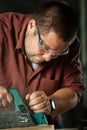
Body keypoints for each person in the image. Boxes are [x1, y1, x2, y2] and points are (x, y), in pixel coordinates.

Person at [0, 0, 85, 128]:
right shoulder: (2, 29)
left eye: (58, 53)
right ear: (31, 25)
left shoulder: (70, 46)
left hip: (45, 125)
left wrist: (51, 103)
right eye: (44, 46)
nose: (49, 58)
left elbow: (74, 91)